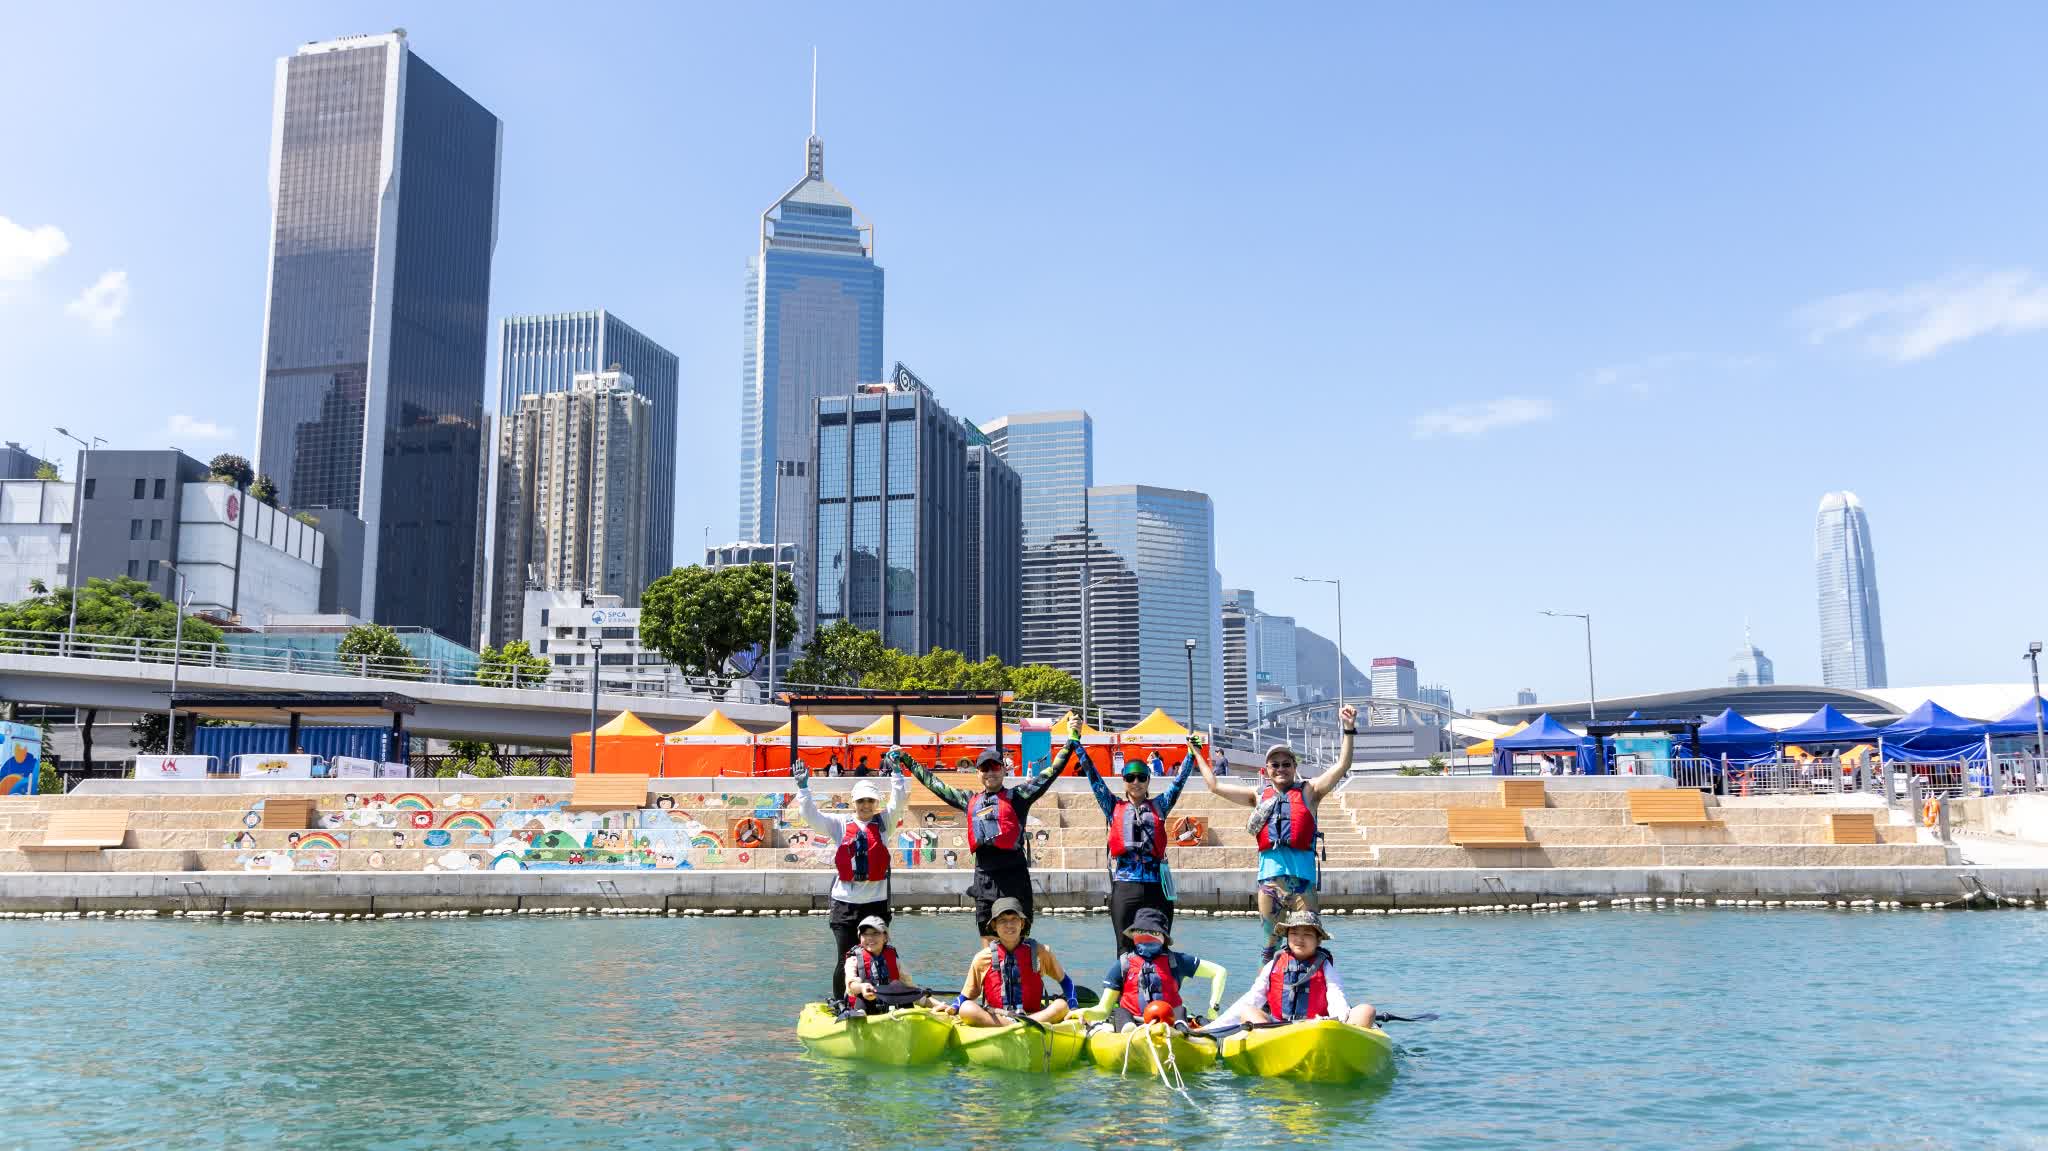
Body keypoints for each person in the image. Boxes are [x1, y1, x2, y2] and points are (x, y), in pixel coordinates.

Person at [1196, 703, 1357, 955]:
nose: (1281, 768)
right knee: (1270, 946)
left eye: (1286, 764)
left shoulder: (1310, 792)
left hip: (1303, 883)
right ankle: (1267, 990)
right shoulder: (1257, 796)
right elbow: (1214, 785)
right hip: (1269, 883)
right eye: (1275, 765)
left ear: (1294, 767)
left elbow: (1342, 766)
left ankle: (1312, 989)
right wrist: (1196, 752)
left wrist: (1348, 729)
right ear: (1266, 770)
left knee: (1309, 946)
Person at [903, 739, 1074, 941]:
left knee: (1019, 941)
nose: (990, 772)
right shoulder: (969, 800)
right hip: (985, 877)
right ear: (978, 773)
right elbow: (935, 784)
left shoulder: (1019, 796)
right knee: (989, 944)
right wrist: (908, 761)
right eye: (985, 768)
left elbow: (1051, 772)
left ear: (1003, 770)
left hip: (1015, 876)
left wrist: (1072, 739)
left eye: (995, 767)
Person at [795, 752, 910, 1003]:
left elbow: (898, 801)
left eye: (870, 801)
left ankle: (881, 999)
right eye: (861, 801)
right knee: (846, 957)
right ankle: (841, 1002)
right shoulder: (839, 823)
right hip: (844, 904)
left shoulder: (884, 823)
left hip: (876, 903)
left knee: (879, 954)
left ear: (875, 803)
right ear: (853, 802)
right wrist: (803, 788)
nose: (865, 805)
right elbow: (812, 818)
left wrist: (897, 773)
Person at [1080, 739, 1197, 954]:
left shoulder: (1160, 805)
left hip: (1157, 888)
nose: (1136, 782)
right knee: (1124, 950)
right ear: (1123, 781)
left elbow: (1179, 782)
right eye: (1130, 777)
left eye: (1142, 777)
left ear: (1148, 780)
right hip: (1125, 887)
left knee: (1160, 947)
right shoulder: (1112, 806)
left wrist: (1191, 754)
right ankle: (1126, 987)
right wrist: (1075, 742)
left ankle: (1160, 986)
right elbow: (1093, 776)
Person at [1205, 909, 1374, 1030]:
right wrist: (1212, 1028)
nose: (1299, 939)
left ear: (1318, 941)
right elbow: (1253, 998)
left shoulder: (1325, 967)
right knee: (1247, 1011)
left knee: (1367, 1010)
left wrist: (1340, 1023)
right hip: (1278, 1029)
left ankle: (1343, 1045)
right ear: (1287, 937)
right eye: (1294, 933)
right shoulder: (1274, 964)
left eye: (1307, 934)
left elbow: (1336, 998)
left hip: (1317, 1026)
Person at [943, 897, 1071, 1026]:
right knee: (966, 1008)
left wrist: (1075, 1008)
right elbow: (967, 994)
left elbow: (1064, 980)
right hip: (997, 1017)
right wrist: (954, 1006)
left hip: (1033, 1015)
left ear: (1022, 923)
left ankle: (1021, 1024)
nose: (1009, 925)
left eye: (1014, 919)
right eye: (1003, 920)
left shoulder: (1040, 951)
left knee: (1061, 1005)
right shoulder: (982, 958)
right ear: (994, 926)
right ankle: (1016, 1025)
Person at [1096, 907, 1226, 1026]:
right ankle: (1127, 1028)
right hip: (1133, 1022)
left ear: (1163, 937)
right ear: (1134, 934)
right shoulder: (1123, 964)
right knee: (1120, 1012)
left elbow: (1219, 972)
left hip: (1171, 1022)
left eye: (1153, 932)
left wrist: (1213, 1006)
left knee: (1180, 1011)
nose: (1146, 936)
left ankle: (1181, 1029)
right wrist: (1083, 1014)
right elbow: (1103, 1009)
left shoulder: (1177, 961)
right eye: (1141, 931)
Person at [842, 915, 931, 1013]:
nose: (869, 938)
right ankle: (859, 1018)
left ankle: (905, 1017)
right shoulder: (853, 960)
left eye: (875, 933)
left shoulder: (895, 961)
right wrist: (862, 987)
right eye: (864, 934)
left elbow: (911, 991)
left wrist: (940, 1006)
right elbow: (851, 986)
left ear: (885, 937)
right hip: (864, 1008)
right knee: (865, 991)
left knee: (900, 988)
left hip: (891, 1006)